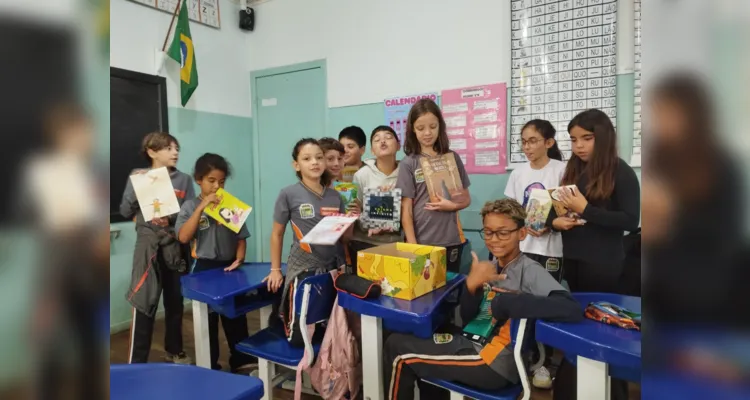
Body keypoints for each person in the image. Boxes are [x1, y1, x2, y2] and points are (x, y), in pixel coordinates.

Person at [383, 199, 582, 400]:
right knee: (407, 337)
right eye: (488, 232)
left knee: (400, 352)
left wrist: (507, 303)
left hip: (492, 362)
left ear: (521, 234)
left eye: (503, 233)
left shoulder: (529, 270)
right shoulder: (491, 266)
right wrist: (472, 287)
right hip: (474, 343)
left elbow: (570, 307)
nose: (494, 239)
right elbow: (469, 318)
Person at [547, 109, 640, 400]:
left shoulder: (620, 170)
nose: (579, 146)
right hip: (573, 258)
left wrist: (587, 209)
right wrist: (556, 221)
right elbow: (557, 209)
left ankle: (613, 391)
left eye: (587, 138)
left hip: (603, 263)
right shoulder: (574, 170)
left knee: (605, 329)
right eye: (574, 140)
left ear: (603, 137)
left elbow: (629, 220)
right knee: (582, 323)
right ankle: (580, 387)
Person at [175, 153, 257, 373]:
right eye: (211, 181)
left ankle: (241, 359)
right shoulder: (190, 206)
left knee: (235, 316)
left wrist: (240, 257)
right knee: (207, 319)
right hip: (204, 269)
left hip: (230, 267)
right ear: (199, 180)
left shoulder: (229, 203)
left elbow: (241, 237)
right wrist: (202, 207)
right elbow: (183, 237)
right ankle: (209, 365)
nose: (216, 186)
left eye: (221, 182)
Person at [263, 138, 349, 346]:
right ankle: (296, 369)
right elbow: (277, 233)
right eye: (307, 158)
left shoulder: (335, 196)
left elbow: (344, 237)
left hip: (332, 269)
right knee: (298, 334)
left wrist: (350, 219)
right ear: (296, 165)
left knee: (325, 326)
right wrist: (275, 269)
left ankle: (319, 371)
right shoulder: (288, 194)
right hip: (304, 268)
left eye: (319, 158)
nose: (315, 162)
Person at [120, 131, 193, 365]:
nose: (175, 152)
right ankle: (137, 361)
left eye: (177, 148)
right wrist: (139, 186)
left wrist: (175, 223)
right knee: (144, 301)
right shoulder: (139, 176)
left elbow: (189, 213)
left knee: (175, 302)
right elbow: (125, 210)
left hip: (175, 246)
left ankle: (175, 350)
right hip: (147, 247)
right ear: (152, 152)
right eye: (169, 148)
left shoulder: (184, 180)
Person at [503, 119, 565, 389]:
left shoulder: (562, 170)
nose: (526, 147)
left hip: (552, 250)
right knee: (520, 305)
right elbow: (511, 210)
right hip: (523, 249)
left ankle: (545, 363)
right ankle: (521, 359)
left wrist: (549, 224)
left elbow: (569, 210)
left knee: (546, 305)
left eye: (532, 141)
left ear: (549, 142)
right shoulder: (518, 174)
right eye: (523, 141)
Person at [396, 98, 471, 272]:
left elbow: (465, 199)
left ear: (440, 126)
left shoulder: (452, 158)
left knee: (449, 292)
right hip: (423, 242)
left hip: (451, 240)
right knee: (424, 294)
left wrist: (451, 205)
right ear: (412, 130)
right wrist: (413, 246)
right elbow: (405, 210)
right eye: (420, 128)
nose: (427, 133)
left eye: (433, 126)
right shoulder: (409, 163)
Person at [350, 125, 402, 254]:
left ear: (398, 146)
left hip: (396, 242)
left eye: (388, 137)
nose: (383, 141)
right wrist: (368, 222)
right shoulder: (361, 175)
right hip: (365, 242)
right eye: (377, 140)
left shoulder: (406, 174)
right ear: (372, 150)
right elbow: (355, 209)